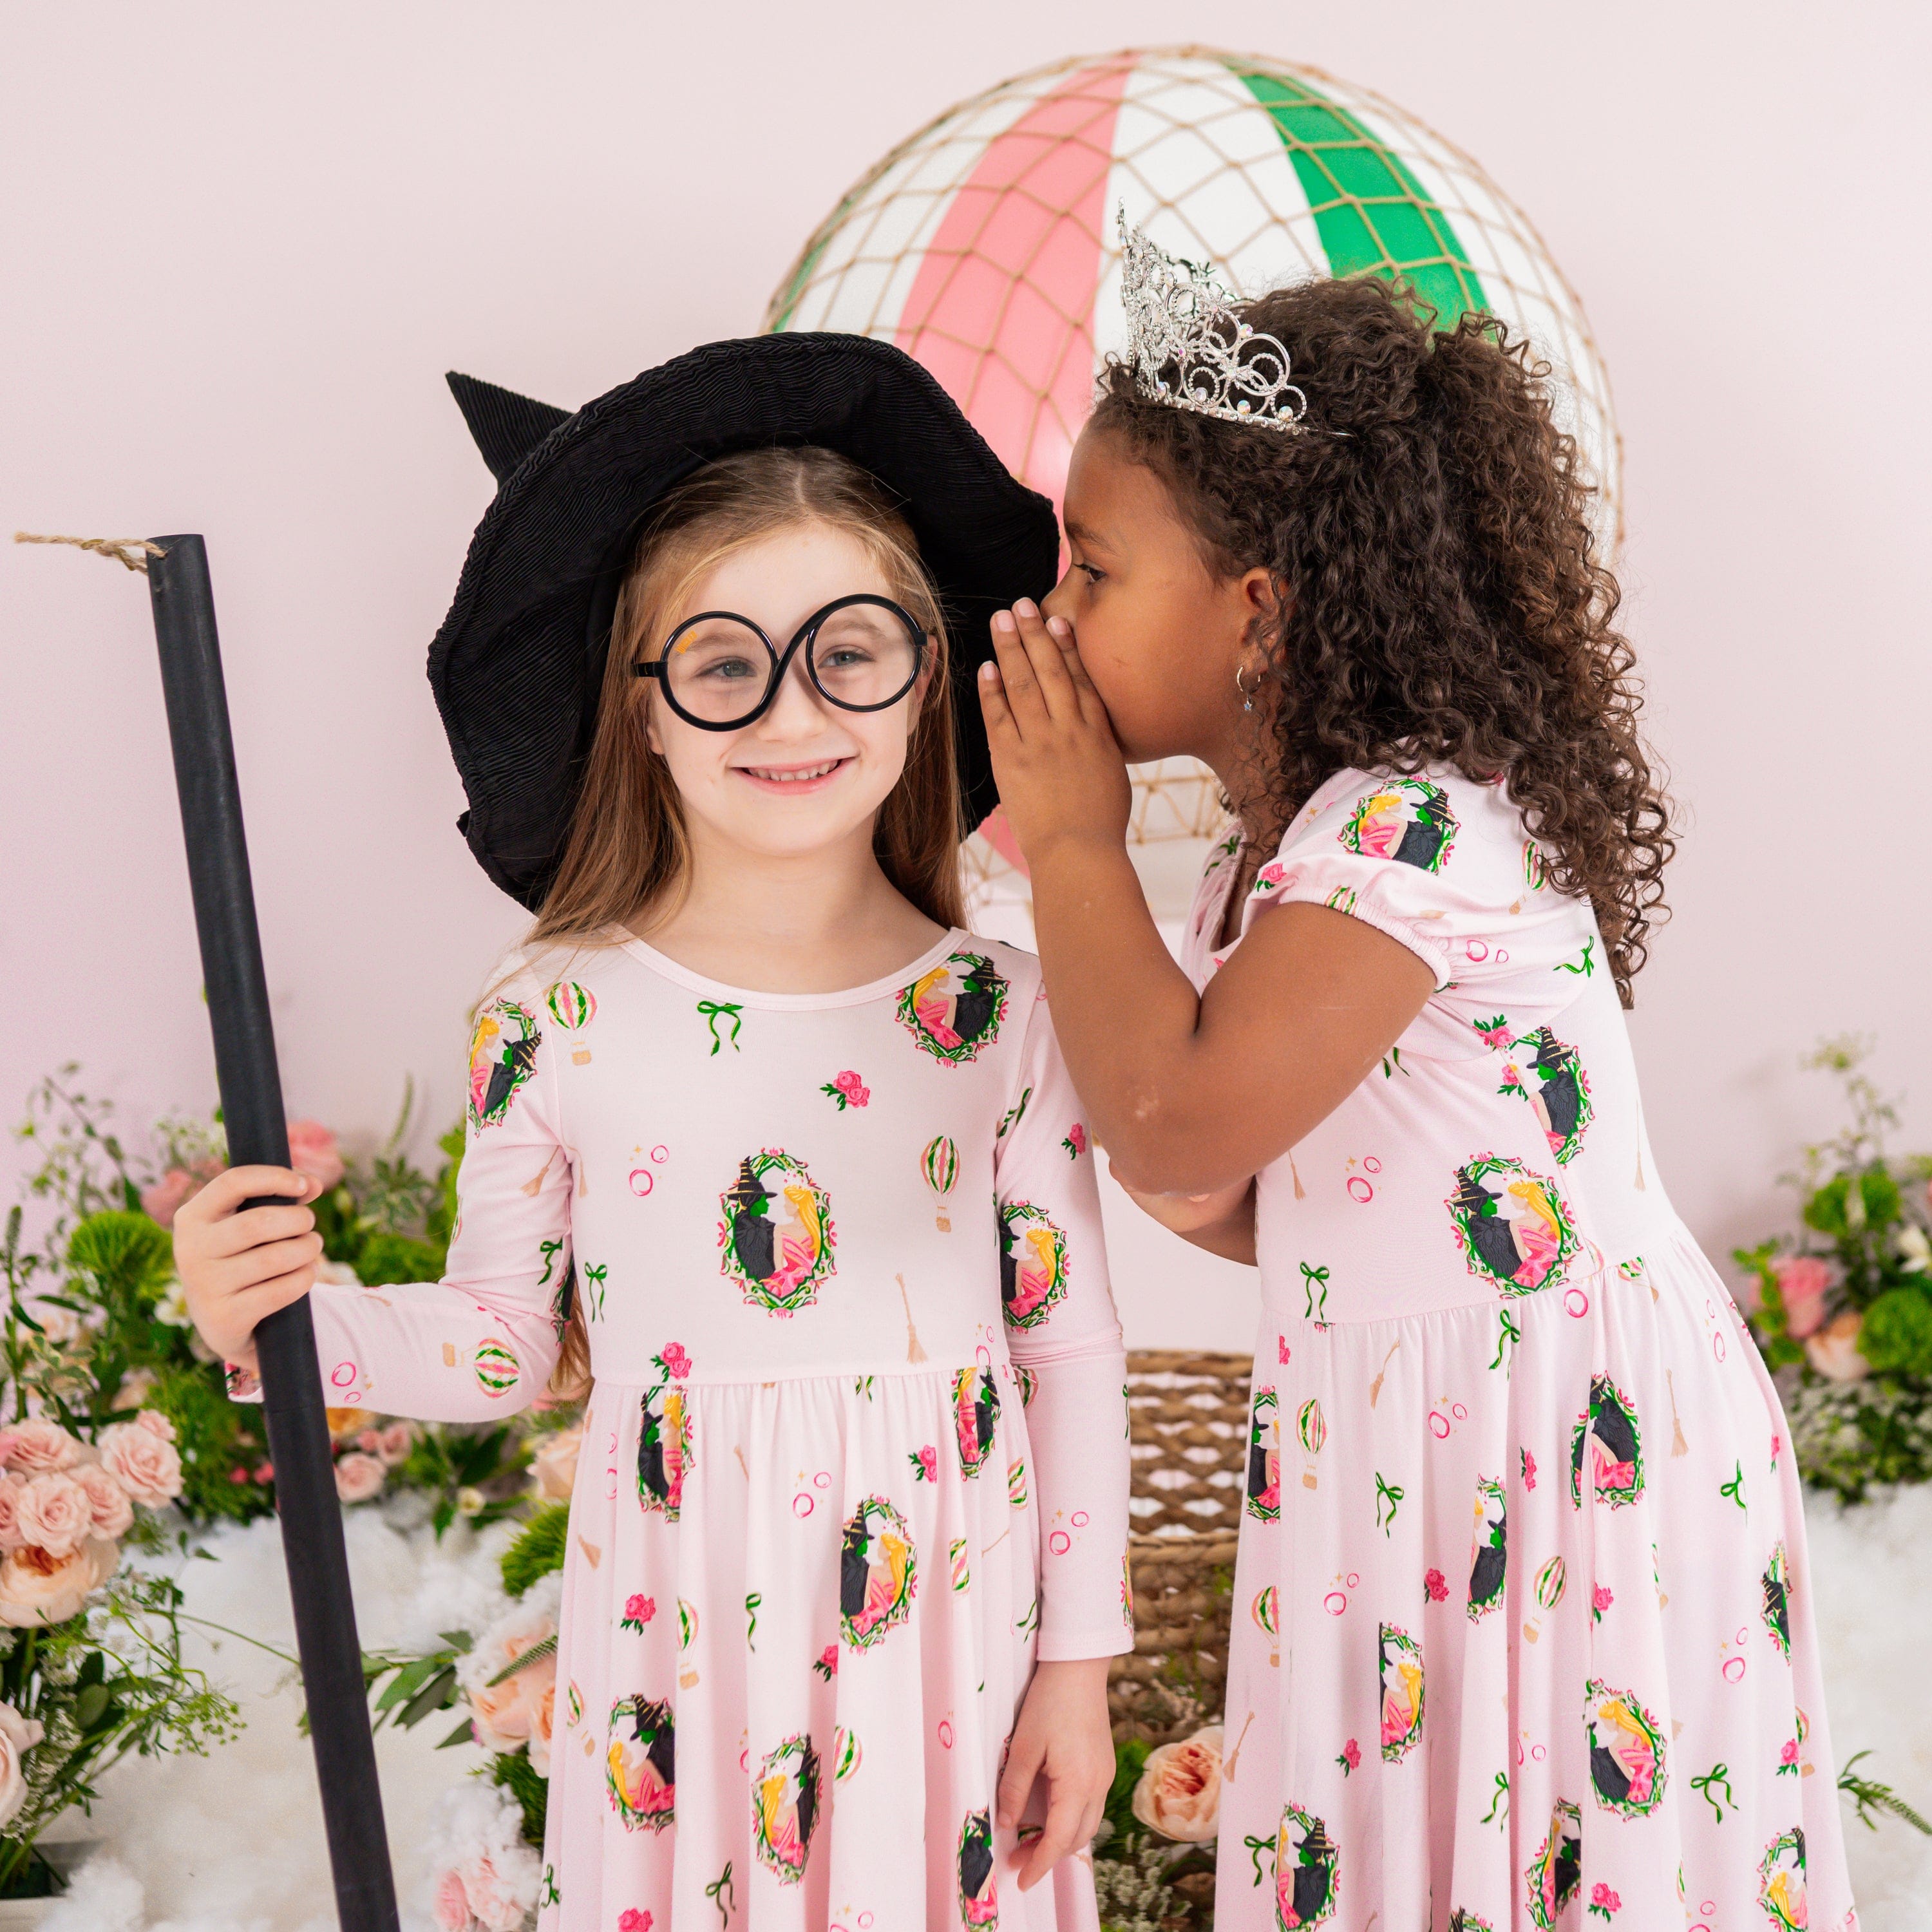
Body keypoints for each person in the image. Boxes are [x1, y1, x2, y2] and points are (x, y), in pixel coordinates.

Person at [171, 336, 1133, 1932]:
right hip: (682, 1652)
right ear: (643, 709)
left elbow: (1070, 1347)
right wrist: (271, 1323)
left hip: (948, 1654)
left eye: (848, 651)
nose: (790, 709)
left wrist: (1080, 1670)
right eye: (722, 663)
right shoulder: (554, 1012)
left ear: (925, 676)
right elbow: (502, 1342)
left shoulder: (1004, 1010)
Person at [974, 219, 1857, 1931]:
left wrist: (1071, 840)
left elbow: (1173, 1110)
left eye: (1093, 570)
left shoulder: (1414, 828)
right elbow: (1247, 1175)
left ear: (1257, 607)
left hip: (1554, 1445)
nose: (1057, 615)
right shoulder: (1289, 849)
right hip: (1415, 1428)